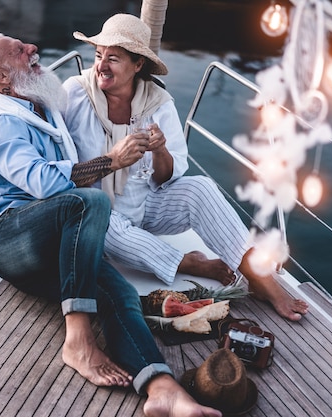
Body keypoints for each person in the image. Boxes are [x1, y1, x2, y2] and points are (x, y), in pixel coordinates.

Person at [0, 33, 222, 417]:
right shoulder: (2, 124)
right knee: (90, 203)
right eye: (19, 50)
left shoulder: (40, 108)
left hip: (50, 237)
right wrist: (111, 161)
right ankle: (78, 338)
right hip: (7, 239)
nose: (33, 48)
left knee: (120, 294)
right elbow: (44, 183)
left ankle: (162, 388)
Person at [64, 13, 309, 321]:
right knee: (102, 220)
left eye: (113, 59)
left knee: (201, 187)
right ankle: (189, 263)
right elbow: (61, 172)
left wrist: (161, 150)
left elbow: (168, 177)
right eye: (98, 56)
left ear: (138, 65)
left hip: (145, 205)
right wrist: (113, 159)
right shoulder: (74, 94)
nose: (100, 66)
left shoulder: (158, 103)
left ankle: (261, 277)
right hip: (101, 211)